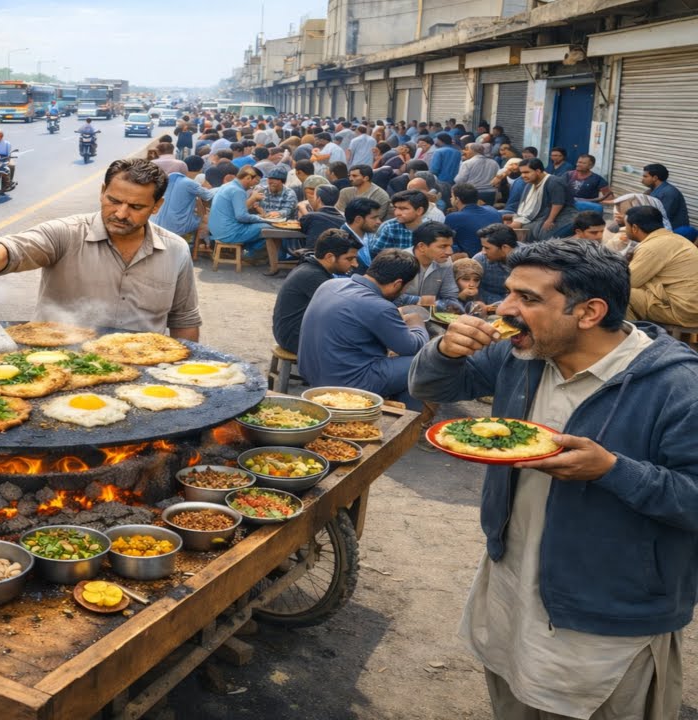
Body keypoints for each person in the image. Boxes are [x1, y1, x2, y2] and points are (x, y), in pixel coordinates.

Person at [409, 238, 698, 720]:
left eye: (528, 298)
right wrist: (444, 350)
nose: (505, 308)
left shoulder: (677, 388)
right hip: (511, 582)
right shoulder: (522, 356)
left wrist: (611, 470)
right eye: (509, 293)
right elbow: (432, 387)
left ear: (589, 312)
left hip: (605, 618)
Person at [0, 159, 200, 339]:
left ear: (156, 206)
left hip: (140, 368)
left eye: (136, 207)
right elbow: (13, 248)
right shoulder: (66, 233)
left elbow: (184, 321)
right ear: (102, 192)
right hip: (58, 362)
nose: (121, 213)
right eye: (114, 201)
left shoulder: (175, 250)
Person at [298, 249, 429, 408]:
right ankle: (408, 420)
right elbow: (412, 347)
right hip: (346, 383)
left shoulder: (330, 284)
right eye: (404, 287)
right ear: (397, 284)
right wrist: (416, 322)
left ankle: (398, 409)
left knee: (403, 369)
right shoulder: (379, 306)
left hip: (312, 372)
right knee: (423, 363)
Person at [271, 228, 363, 354]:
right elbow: (345, 310)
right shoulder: (313, 276)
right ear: (330, 257)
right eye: (349, 259)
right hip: (294, 339)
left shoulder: (311, 267)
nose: (355, 264)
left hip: (292, 333)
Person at [623, 205, 698, 326]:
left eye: (625, 225)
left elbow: (627, 281)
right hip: (691, 306)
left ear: (635, 228)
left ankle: (636, 340)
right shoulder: (675, 238)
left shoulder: (651, 247)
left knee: (619, 293)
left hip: (685, 310)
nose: (624, 229)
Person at [210, 165, 273, 257]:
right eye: (256, 181)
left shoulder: (227, 186)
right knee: (269, 228)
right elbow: (241, 216)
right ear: (248, 178)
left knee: (256, 225)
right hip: (228, 233)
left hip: (217, 230)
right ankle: (248, 254)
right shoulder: (238, 191)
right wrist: (262, 218)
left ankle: (246, 252)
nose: (255, 186)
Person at [395, 222, 460, 311]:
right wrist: (424, 301)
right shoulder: (399, 261)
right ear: (421, 246)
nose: (450, 252)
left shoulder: (446, 261)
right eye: (443, 246)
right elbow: (390, 296)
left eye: (450, 246)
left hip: (431, 316)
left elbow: (451, 298)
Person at [510, 159, 576, 241]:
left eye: (526, 172)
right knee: (521, 230)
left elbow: (558, 203)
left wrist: (550, 220)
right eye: (521, 173)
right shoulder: (530, 184)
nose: (523, 176)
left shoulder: (554, 181)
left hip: (563, 215)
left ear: (538, 171)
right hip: (543, 215)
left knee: (544, 236)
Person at [150, 156, 213, 238]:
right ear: (185, 170)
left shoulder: (160, 182)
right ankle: (198, 244)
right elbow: (209, 196)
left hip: (153, 224)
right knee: (204, 220)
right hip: (177, 228)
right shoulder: (189, 183)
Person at [445, 184, 503, 258]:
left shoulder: (453, 217)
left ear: (457, 199)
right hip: (497, 255)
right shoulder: (493, 210)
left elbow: (448, 243)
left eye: (452, 196)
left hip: (471, 259)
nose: (450, 199)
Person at [367, 190, 428, 256]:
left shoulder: (430, 229)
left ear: (419, 211)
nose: (397, 213)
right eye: (395, 208)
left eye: (403, 209)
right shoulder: (389, 228)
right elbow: (376, 256)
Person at [641, 163, 691, 230]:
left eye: (645, 176)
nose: (642, 180)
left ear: (655, 178)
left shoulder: (669, 193)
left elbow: (661, 217)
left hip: (674, 231)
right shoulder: (654, 190)